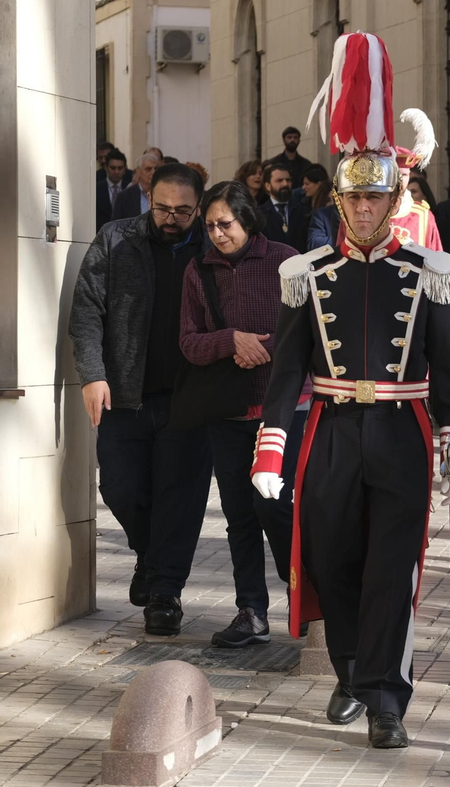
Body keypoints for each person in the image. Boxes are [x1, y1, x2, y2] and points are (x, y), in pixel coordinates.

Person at [250, 31, 450, 749]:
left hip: (403, 431)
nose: (366, 209)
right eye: (355, 197)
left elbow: (448, 370)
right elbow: (287, 370)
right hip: (331, 433)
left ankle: (384, 698)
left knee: (391, 568)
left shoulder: (430, 272)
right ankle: (349, 669)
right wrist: (272, 448)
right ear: (340, 201)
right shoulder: (307, 275)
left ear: (395, 196)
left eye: (377, 197)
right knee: (332, 558)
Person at [70, 163, 214, 636]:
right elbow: (86, 310)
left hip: (190, 399)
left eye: (182, 211)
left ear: (199, 206)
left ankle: (165, 593)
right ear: (149, 197)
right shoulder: (115, 239)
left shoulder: (212, 248)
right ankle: (150, 558)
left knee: (181, 498)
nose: (171, 218)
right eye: (162, 208)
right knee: (120, 488)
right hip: (124, 394)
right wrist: (93, 375)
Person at [178, 181, 302, 648]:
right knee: (239, 515)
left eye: (225, 224)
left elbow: (310, 331)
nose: (217, 234)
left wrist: (263, 348)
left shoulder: (288, 262)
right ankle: (251, 612)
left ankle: (304, 595)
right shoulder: (198, 270)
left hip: (285, 408)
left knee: (276, 506)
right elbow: (189, 342)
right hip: (227, 410)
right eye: (209, 226)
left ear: (247, 219)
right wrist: (231, 340)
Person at [259, 162, 310, 251]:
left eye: (288, 180)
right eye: (279, 180)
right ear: (268, 186)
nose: (285, 184)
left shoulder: (304, 212)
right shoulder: (259, 215)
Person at [112, 150, 164, 220]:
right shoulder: (124, 197)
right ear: (138, 172)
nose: (153, 172)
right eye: (148, 169)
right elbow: (116, 223)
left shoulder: (164, 194)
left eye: (156, 169)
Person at [266, 126, 313, 190]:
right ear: (283, 139)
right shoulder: (274, 163)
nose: (292, 140)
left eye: (295, 137)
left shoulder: (306, 165)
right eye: (289, 137)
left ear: (299, 140)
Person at [97, 149, 129, 230]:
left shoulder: (129, 188)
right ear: (106, 168)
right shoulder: (97, 189)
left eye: (120, 168)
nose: (116, 172)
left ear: (125, 169)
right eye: (113, 168)